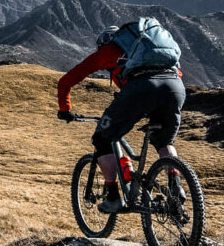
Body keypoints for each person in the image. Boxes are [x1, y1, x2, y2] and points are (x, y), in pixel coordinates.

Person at [56, 18, 185, 212]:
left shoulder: (110, 50)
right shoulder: (149, 50)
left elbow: (66, 81)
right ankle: (176, 186)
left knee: (102, 140)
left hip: (141, 89)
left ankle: (114, 197)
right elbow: (174, 76)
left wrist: (65, 110)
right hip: (175, 87)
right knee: (164, 141)